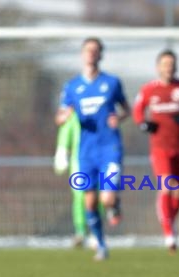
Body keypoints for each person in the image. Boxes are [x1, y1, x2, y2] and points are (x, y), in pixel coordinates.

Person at [55, 37, 131, 261]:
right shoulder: (72, 87)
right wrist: (64, 116)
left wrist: (119, 117)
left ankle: (113, 205)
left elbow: (127, 109)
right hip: (85, 152)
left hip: (109, 148)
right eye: (87, 50)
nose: (91, 54)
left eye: (95, 50)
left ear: (100, 55)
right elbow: (59, 117)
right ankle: (100, 244)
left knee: (106, 198)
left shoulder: (112, 83)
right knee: (89, 201)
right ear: (82, 54)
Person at [133, 50, 179, 254]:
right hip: (160, 148)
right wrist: (144, 124)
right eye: (165, 64)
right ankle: (169, 234)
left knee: (178, 193)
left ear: (176, 66)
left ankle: (169, 223)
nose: (168, 67)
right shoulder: (148, 90)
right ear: (158, 67)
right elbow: (137, 110)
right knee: (167, 186)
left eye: (171, 64)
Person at [54, 111, 88, 248]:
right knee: (80, 196)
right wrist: (61, 152)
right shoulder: (73, 115)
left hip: (99, 158)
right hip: (78, 161)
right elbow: (65, 128)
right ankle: (81, 231)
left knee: (101, 196)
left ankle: (97, 230)